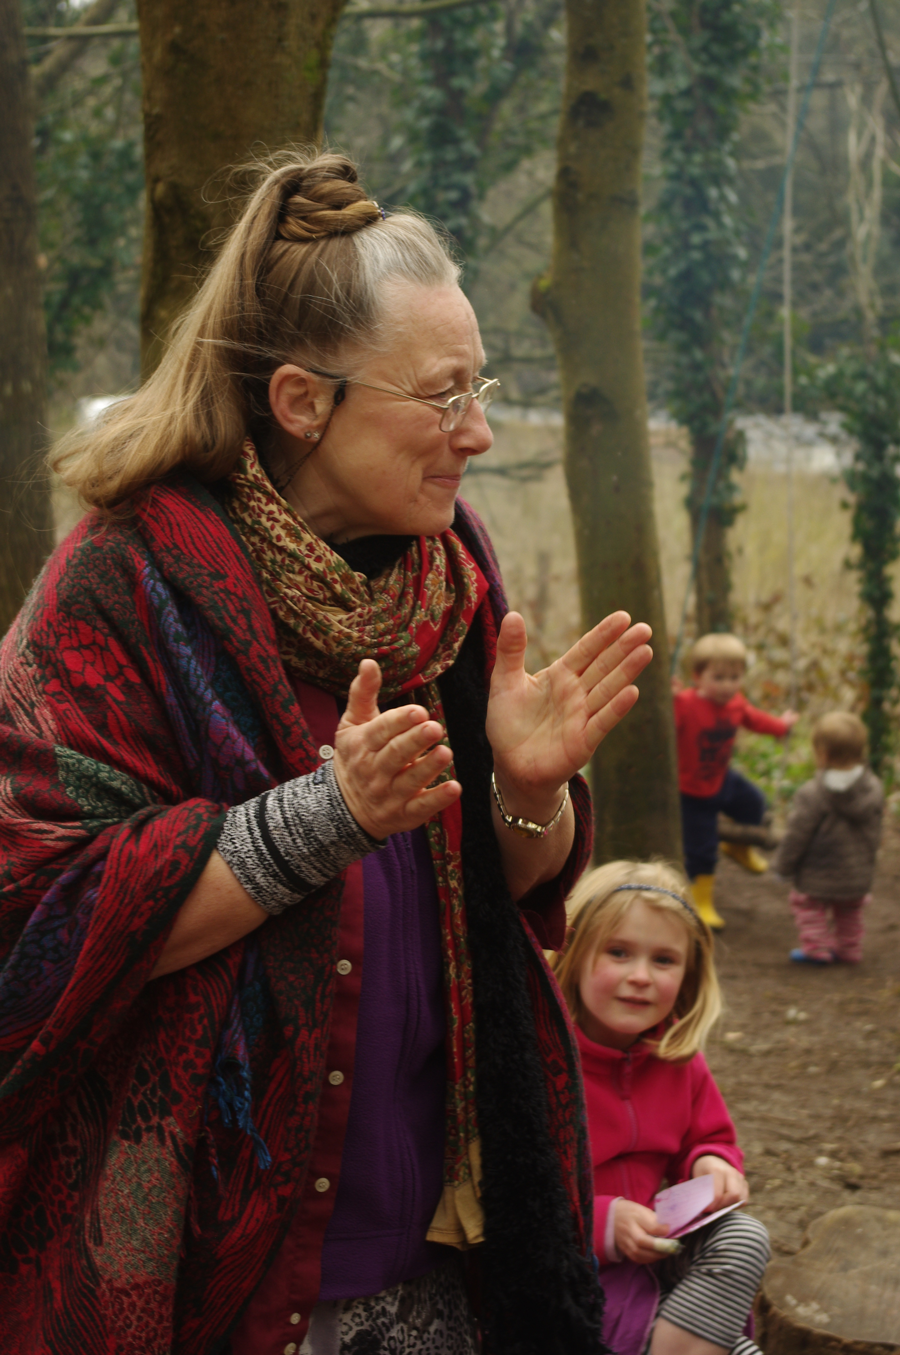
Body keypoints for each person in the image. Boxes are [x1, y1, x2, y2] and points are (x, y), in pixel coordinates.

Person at [0, 151, 653, 1355]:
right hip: (217, 1274)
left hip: (443, 1255)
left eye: (482, 385)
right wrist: (321, 817)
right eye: (443, 394)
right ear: (304, 400)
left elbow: (502, 894)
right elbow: (41, 918)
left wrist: (526, 790)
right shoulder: (122, 579)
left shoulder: (446, 572)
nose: (482, 431)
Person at [552, 860, 771, 1355]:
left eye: (664, 960)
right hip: (574, 1280)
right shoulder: (543, 1064)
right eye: (619, 952)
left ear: (688, 972)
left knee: (744, 1235)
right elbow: (515, 1194)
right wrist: (601, 1222)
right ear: (572, 952)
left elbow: (707, 1137)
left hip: (657, 1252)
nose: (640, 977)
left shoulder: (677, 1060)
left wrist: (710, 1164)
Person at [674, 633, 798, 930]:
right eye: (718, 677)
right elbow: (660, 723)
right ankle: (700, 900)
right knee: (701, 848)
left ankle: (738, 848)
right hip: (691, 790)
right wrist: (665, 698)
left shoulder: (736, 704)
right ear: (697, 676)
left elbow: (755, 719)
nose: (728, 685)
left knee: (754, 802)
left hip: (721, 777)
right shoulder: (684, 704)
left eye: (734, 677)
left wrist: (781, 726)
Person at [774, 711, 883, 966]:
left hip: (818, 872)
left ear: (822, 755)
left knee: (807, 905)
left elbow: (797, 834)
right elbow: (876, 830)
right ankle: (849, 949)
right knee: (850, 910)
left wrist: (783, 866)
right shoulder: (874, 788)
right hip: (857, 873)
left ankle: (816, 948)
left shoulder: (812, 794)